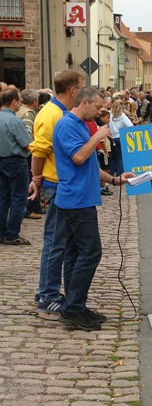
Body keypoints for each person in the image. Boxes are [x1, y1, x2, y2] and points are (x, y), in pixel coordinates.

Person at [53, 86, 134, 330]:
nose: (100, 113)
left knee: (76, 254)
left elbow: (87, 163)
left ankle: (75, 305)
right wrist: (97, 137)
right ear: (84, 102)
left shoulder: (79, 125)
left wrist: (114, 179)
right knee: (91, 252)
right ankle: (73, 309)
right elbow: (78, 156)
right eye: (98, 107)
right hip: (75, 200)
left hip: (82, 197)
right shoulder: (68, 125)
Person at [30, 69, 83, 313]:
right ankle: (47, 294)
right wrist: (36, 178)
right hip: (54, 183)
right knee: (55, 243)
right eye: (80, 87)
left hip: (55, 182)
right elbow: (39, 150)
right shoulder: (53, 114)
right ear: (72, 90)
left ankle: (46, 290)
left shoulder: (57, 112)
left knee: (59, 242)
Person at [0, 88, 32, 245]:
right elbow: (27, 144)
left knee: (2, 198)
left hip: (1, 160)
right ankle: (12, 233)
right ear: (13, 101)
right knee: (19, 198)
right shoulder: (14, 121)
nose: (21, 104)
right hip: (15, 161)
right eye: (19, 100)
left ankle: (1, 232)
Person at [17, 89, 42, 219]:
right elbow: (27, 133)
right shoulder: (27, 114)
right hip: (28, 151)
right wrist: (32, 148)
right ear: (34, 101)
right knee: (31, 180)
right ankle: (30, 208)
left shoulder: (20, 110)